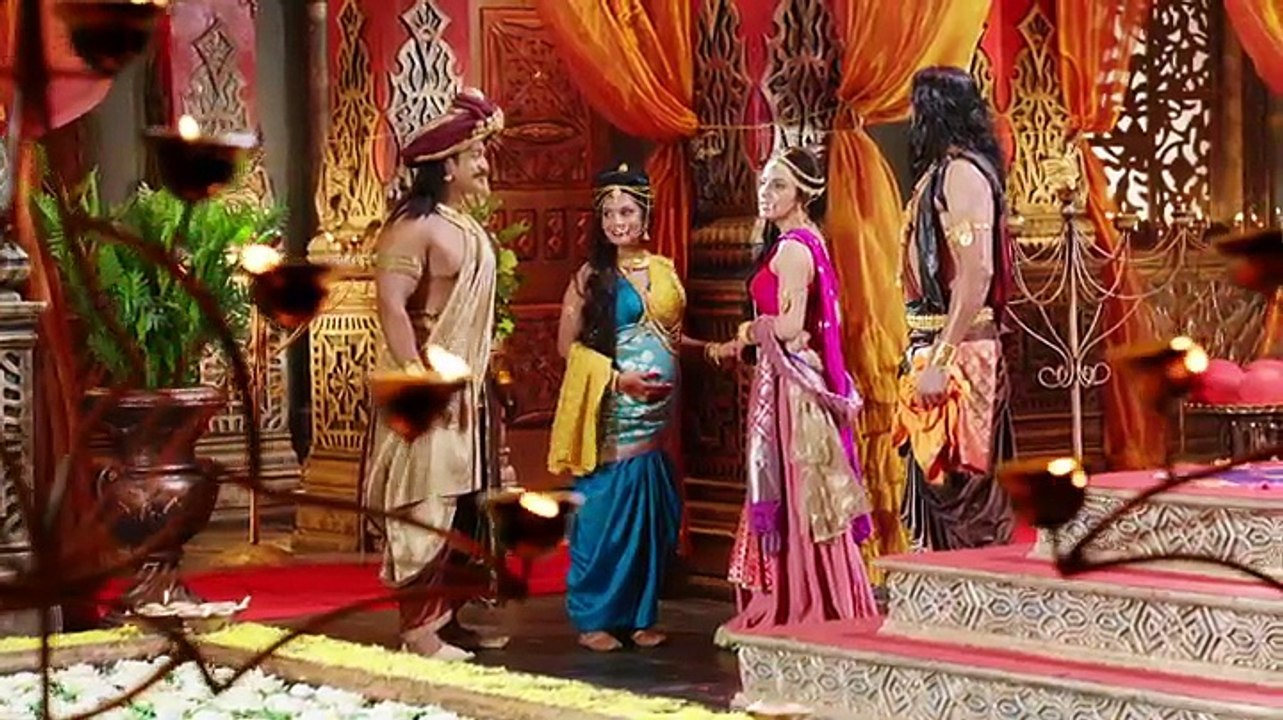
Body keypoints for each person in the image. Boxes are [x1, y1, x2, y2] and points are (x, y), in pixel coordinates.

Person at [710, 146, 878, 640]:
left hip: (791, 388)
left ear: (803, 194)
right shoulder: (808, 241)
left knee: (797, 487)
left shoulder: (792, 250)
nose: (766, 193)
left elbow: (787, 326)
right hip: (790, 377)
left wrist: (748, 332)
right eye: (764, 182)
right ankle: (812, 593)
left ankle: (800, 601)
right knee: (803, 487)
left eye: (778, 185)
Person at [364, 88, 508, 661]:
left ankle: (448, 619)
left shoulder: (464, 225)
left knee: (466, 502)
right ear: (447, 165)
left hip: (468, 389)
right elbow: (392, 305)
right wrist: (418, 381)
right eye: (476, 155)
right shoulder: (413, 226)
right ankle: (418, 632)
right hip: (428, 388)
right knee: (427, 502)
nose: (484, 164)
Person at [548, 164, 697, 652]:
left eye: (627, 212)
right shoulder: (591, 277)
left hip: (656, 420)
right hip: (613, 412)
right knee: (604, 518)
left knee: (648, 520)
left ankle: (637, 616)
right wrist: (618, 381)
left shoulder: (663, 269)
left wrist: (713, 351)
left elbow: (669, 338)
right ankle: (594, 618)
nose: (617, 222)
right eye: (609, 213)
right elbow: (567, 346)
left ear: (645, 215)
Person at [895, 66, 1016, 552]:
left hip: (961, 356)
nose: (909, 118)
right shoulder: (941, 172)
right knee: (934, 483)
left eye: (914, 107)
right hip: (935, 344)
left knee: (961, 489)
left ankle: (974, 591)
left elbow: (976, 273)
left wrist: (941, 360)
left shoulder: (962, 174)